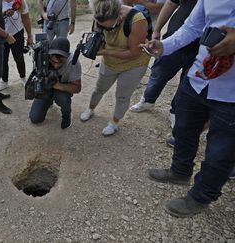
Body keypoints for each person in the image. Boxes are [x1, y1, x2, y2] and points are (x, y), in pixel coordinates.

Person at [142, 0, 235, 217]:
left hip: (231, 93)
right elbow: (192, 26)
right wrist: (165, 46)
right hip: (198, 77)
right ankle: (180, 172)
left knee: (220, 152)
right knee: (183, 129)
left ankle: (201, 197)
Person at [80, 0, 151, 136]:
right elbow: (97, 35)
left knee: (122, 97)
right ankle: (90, 109)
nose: (108, 30)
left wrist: (106, 52)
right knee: (99, 89)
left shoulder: (137, 20)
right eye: (103, 27)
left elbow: (134, 53)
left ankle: (114, 123)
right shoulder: (99, 14)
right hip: (110, 62)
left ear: (119, 15)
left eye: (110, 27)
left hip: (134, 65)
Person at [130, 0, 199, 129]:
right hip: (173, 41)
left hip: (200, 51)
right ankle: (148, 100)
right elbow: (171, 4)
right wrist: (157, 30)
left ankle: (175, 112)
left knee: (186, 84)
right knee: (158, 74)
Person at [29, 37, 81, 129]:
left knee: (64, 99)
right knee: (35, 118)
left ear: (67, 56)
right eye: (53, 61)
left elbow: (77, 88)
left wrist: (57, 85)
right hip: (46, 88)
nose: (56, 65)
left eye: (60, 62)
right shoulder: (42, 57)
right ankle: (48, 101)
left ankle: (66, 115)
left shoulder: (73, 62)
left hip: (61, 88)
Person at [0, 0, 33, 90]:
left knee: (19, 58)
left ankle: (23, 77)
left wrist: (29, 36)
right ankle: (4, 81)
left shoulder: (21, 2)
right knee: (3, 59)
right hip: (2, 34)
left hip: (17, 33)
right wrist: (5, 13)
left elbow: (26, 19)